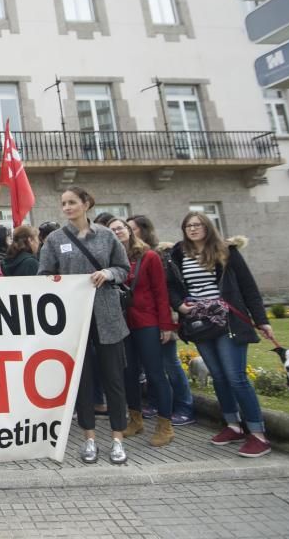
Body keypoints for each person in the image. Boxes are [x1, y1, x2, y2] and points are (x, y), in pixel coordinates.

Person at [167, 212, 275, 457]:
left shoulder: (227, 251)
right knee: (218, 375)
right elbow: (171, 286)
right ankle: (233, 425)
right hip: (199, 322)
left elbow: (249, 287)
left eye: (198, 225)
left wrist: (262, 320)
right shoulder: (177, 253)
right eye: (188, 226)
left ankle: (258, 434)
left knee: (236, 376)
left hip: (228, 321)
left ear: (208, 227)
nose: (193, 229)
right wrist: (179, 305)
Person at [38, 187, 130, 465]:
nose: (67, 207)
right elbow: (43, 275)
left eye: (72, 202)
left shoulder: (106, 235)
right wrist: (59, 283)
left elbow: (123, 268)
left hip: (107, 317)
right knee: (83, 381)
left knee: (114, 380)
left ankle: (117, 439)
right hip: (73, 319)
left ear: (86, 204)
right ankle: (89, 439)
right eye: (63, 203)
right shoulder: (54, 240)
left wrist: (109, 272)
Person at [108, 219, 175, 447]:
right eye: (112, 230)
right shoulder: (111, 260)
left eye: (120, 227)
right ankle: (135, 419)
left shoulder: (149, 257)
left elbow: (161, 292)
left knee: (156, 373)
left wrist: (166, 325)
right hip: (123, 324)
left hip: (147, 321)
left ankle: (165, 424)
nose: (117, 231)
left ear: (129, 231)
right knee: (128, 373)